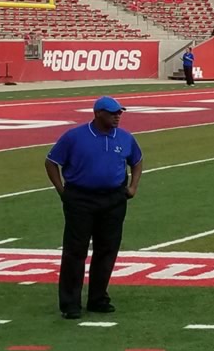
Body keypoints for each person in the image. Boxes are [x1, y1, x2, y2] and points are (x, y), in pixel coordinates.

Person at [45, 96, 143, 320]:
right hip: (80, 198)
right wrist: (62, 191)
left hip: (114, 198)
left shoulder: (125, 137)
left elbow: (137, 160)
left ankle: (98, 298)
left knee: (107, 249)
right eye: (113, 113)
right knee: (75, 251)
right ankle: (70, 303)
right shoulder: (75, 137)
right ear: (98, 113)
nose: (118, 116)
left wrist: (133, 186)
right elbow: (51, 162)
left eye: (120, 112)